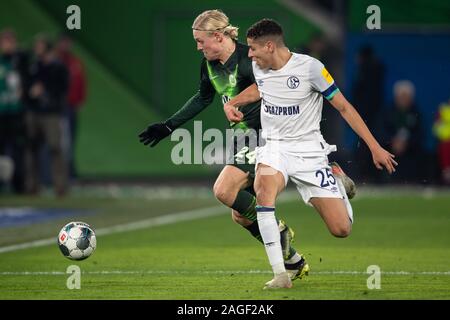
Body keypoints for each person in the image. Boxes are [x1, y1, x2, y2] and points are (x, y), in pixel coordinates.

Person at [223, 19, 397, 289]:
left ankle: (338, 183)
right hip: (274, 147)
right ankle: (281, 274)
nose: (250, 54)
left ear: (270, 46)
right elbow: (261, 89)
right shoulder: (260, 67)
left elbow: (345, 108)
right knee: (264, 190)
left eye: (254, 49)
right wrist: (234, 102)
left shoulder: (311, 68)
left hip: (309, 152)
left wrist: (374, 146)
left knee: (341, 229)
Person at [139, 10, 310, 280]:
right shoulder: (209, 65)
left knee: (223, 189)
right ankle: (294, 260)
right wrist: (169, 125)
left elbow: (273, 87)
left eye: (200, 41)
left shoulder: (250, 57)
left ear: (217, 36)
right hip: (241, 139)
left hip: (264, 135)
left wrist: (239, 104)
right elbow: (202, 97)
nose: (198, 47)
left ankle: (280, 230)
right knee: (240, 215)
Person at [57, 34, 87, 180]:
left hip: (71, 106)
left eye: (68, 42)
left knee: (71, 139)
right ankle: (61, 172)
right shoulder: (56, 61)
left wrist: (80, 100)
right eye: (63, 42)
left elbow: (81, 82)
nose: (66, 45)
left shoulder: (76, 63)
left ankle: (70, 169)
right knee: (60, 140)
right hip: (58, 106)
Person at [383, 80, 423, 184]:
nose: (403, 100)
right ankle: (387, 182)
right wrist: (392, 141)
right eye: (401, 97)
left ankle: (414, 182)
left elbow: (420, 134)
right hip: (391, 149)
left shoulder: (415, 113)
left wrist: (407, 143)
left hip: (410, 151)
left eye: (406, 97)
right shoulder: (388, 112)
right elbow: (381, 132)